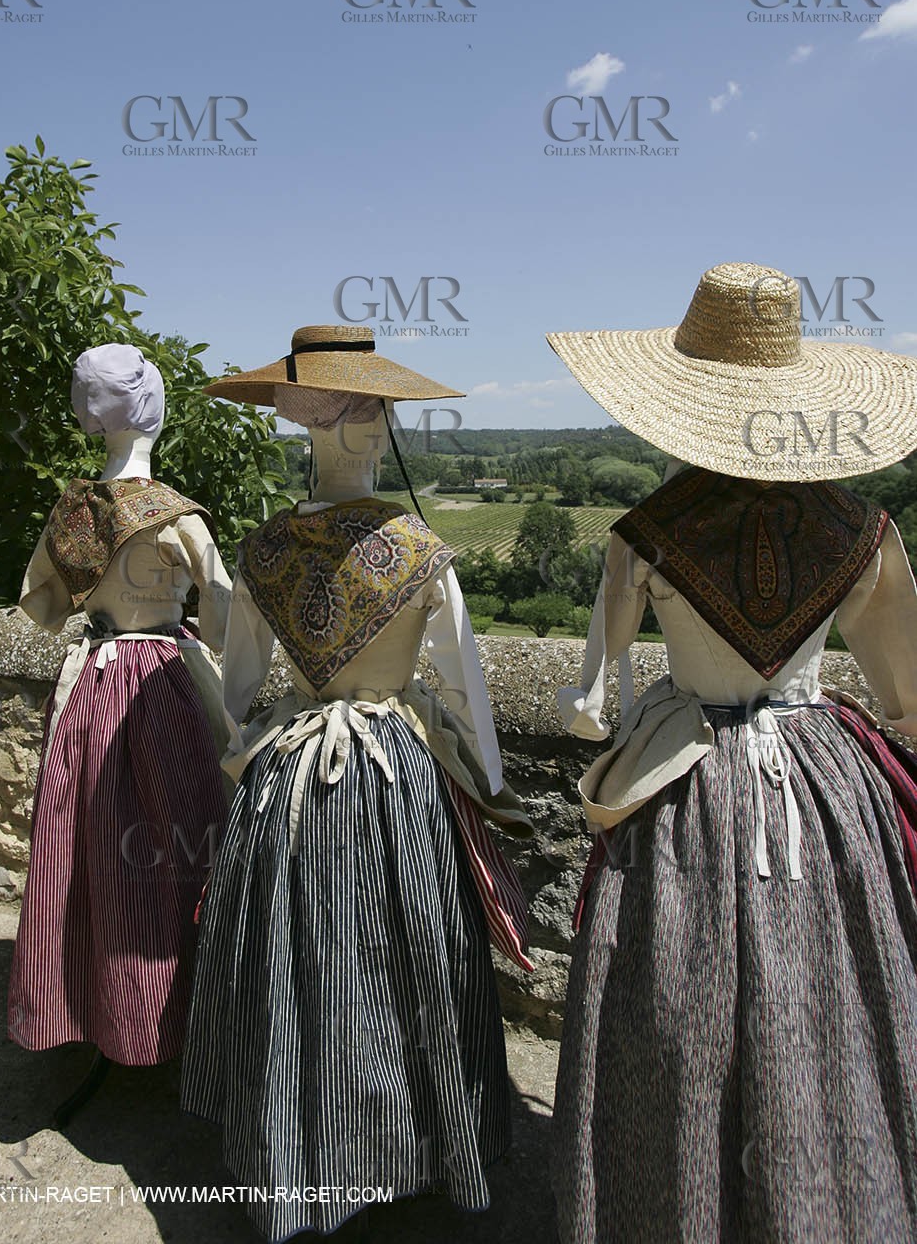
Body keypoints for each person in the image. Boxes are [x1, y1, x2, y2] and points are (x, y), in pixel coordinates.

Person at [545, 262, 917, 1243]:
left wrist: (601, 707)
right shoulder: (862, 529)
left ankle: (672, 1207)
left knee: (672, 1012)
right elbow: (907, 698)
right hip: (819, 789)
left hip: (684, 786)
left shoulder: (645, 533)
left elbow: (588, 701)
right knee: (834, 1003)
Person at [180, 325, 533, 1242]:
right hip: (395, 778)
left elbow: (237, 690)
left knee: (292, 963)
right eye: (372, 409)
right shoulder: (421, 550)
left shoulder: (261, 550)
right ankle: (411, 1145)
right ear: (347, 422)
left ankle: (297, 1147)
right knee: (408, 960)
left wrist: (248, 763)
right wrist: (489, 789)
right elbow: (464, 692)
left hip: (288, 774)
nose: (382, 425)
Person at [8, 343, 233, 1078]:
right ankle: (173, 1017)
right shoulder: (175, 517)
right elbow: (224, 614)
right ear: (151, 408)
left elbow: (42, 604)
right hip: (162, 685)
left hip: (90, 687)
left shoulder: (72, 511)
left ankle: (86, 1006)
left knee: (81, 851)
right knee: (180, 844)